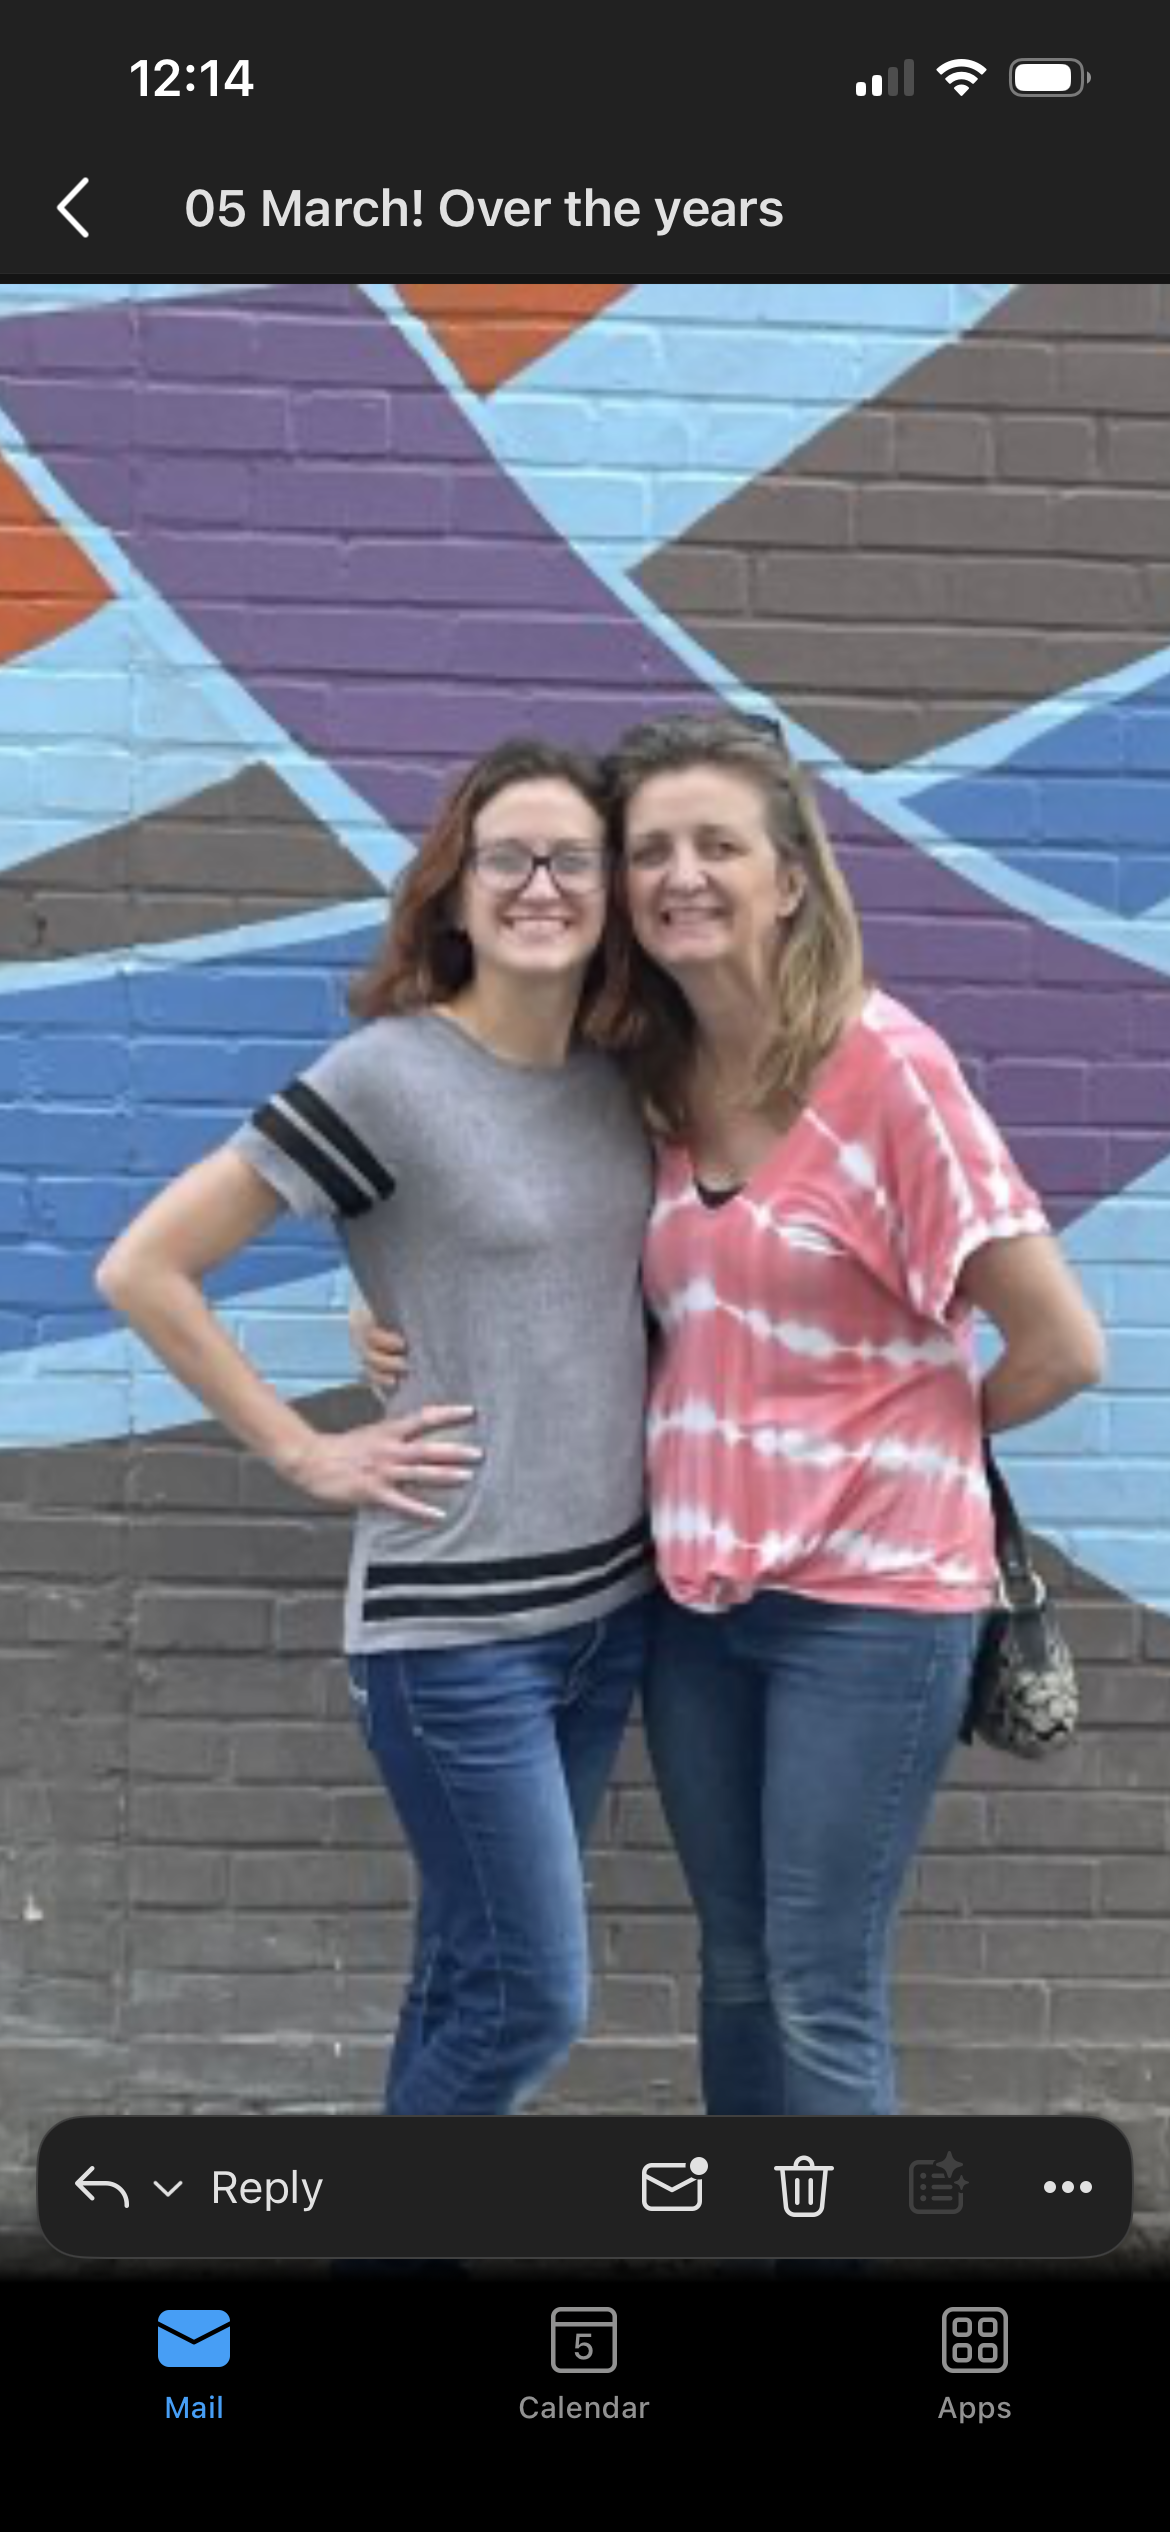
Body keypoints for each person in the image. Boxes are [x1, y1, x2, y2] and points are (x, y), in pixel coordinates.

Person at [357, 711, 1107, 2134]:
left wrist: (900, 1441)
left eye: (718, 845)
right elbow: (497, 1223)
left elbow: (1061, 1345)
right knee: (740, 1970)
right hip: (697, 1602)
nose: (680, 874)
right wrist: (380, 1304)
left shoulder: (889, 1070)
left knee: (821, 1985)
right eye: (651, 851)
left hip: (873, 1610)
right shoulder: (642, 1077)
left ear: (789, 879)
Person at [95, 737, 658, 2121]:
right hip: (452, 1632)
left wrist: (388, 1301)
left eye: (571, 859)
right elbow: (145, 1269)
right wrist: (303, 1449)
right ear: (453, 896)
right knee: (533, 1999)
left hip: (606, 1611)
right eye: (505, 858)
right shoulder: (386, 1077)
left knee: (465, 1981)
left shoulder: (621, 1080)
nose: (540, 884)